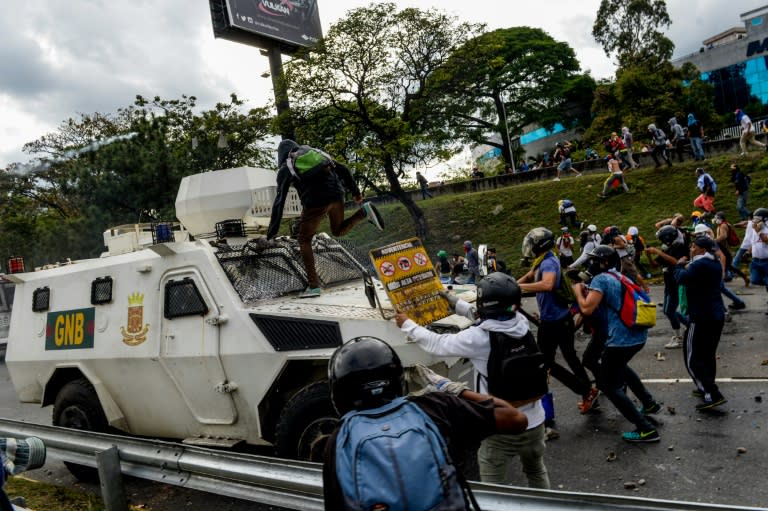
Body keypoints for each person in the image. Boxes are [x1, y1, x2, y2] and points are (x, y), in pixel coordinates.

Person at [322, 336, 529, 510]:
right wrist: (452, 388)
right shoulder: (434, 408)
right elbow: (516, 419)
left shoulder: (339, 440)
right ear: (397, 377)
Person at [395, 274, 550, 489]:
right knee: (535, 470)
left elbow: (436, 344)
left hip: (500, 424)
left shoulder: (478, 338)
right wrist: (456, 303)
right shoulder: (522, 323)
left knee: (495, 488)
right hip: (536, 421)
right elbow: (491, 316)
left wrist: (407, 325)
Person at [267, 139, 384, 298]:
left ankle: (313, 286)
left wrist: (271, 234)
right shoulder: (316, 153)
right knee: (338, 230)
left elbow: (279, 201)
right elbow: (343, 168)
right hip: (337, 195)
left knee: (304, 240)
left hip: (316, 202)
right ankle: (363, 212)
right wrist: (356, 192)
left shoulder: (286, 167)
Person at [572, 246, 662, 443]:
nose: (590, 264)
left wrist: (578, 291)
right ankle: (648, 403)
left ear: (604, 263)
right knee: (620, 367)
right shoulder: (620, 276)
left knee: (608, 384)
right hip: (637, 334)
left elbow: (587, 308)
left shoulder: (601, 279)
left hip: (621, 339)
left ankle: (645, 429)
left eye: (594, 261)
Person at [517, 227, 599, 414]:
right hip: (559, 320)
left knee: (545, 363)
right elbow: (530, 276)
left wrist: (518, 288)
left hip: (555, 323)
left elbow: (548, 284)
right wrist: (509, 285)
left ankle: (585, 390)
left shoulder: (548, 263)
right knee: (569, 357)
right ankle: (589, 394)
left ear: (539, 246)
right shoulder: (543, 260)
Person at [673, 236, 728, 410]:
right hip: (716, 314)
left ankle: (712, 393)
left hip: (701, 316)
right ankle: (705, 386)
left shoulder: (699, 264)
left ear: (702, 249)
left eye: (694, 246)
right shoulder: (715, 262)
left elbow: (681, 278)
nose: (691, 248)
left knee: (692, 357)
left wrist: (679, 265)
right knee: (708, 354)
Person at [646, 225, 689, 349]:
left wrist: (658, 251)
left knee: (670, 311)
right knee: (666, 310)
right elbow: (654, 264)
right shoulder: (668, 248)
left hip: (675, 283)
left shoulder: (680, 247)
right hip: (668, 284)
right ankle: (690, 325)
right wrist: (649, 254)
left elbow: (676, 261)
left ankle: (679, 338)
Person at [713, 212, 749, 288]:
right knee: (729, 266)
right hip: (724, 248)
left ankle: (719, 282)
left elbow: (724, 236)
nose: (715, 219)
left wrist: (714, 241)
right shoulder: (724, 224)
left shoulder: (723, 225)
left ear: (720, 218)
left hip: (724, 249)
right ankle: (744, 277)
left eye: (716, 218)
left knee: (724, 266)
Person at [749, 207, 768, 314]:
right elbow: (754, 241)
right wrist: (749, 251)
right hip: (756, 260)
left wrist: (759, 231)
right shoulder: (754, 228)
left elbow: (766, 240)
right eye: (754, 218)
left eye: (758, 218)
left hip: (767, 260)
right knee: (754, 280)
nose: (755, 221)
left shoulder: (765, 228)